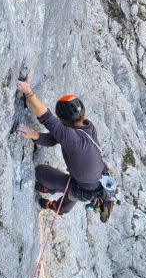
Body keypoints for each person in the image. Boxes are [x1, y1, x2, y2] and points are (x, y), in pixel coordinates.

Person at [16, 73, 105, 215]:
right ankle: (52, 189)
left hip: (86, 187)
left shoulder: (72, 139)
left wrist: (28, 92)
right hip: (96, 176)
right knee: (73, 189)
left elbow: (46, 118)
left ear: (64, 120)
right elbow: (56, 138)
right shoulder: (88, 126)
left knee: (41, 172)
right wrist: (35, 136)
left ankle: (55, 206)